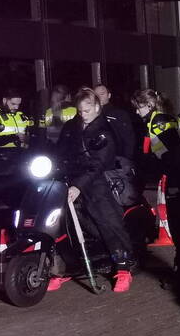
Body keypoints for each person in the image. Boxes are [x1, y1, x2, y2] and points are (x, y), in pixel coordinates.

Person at [54, 88, 135, 293]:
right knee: (68, 224)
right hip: (74, 180)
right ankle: (69, 265)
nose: (84, 115)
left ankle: (123, 268)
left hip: (97, 182)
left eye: (88, 110)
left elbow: (97, 165)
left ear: (97, 107)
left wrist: (78, 186)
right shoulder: (74, 125)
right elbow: (62, 150)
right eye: (81, 111)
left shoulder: (103, 131)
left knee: (108, 222)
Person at [133, 89, 180, 287]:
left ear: (149, 106)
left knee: (179, 227)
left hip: (177, 178)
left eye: (138, 107)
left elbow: (172, 152)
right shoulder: (172, 118)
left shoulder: (158, 122)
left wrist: (163, 168)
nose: (136, 112)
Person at [93, 83, 138, 162]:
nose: (99, 97)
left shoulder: (119, 114)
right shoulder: (91, 114)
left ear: (109, 95)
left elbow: (129, 139)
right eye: (96, 95)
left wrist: (125, 160)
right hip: (98, 161)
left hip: (116, 161)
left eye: (102, 94)